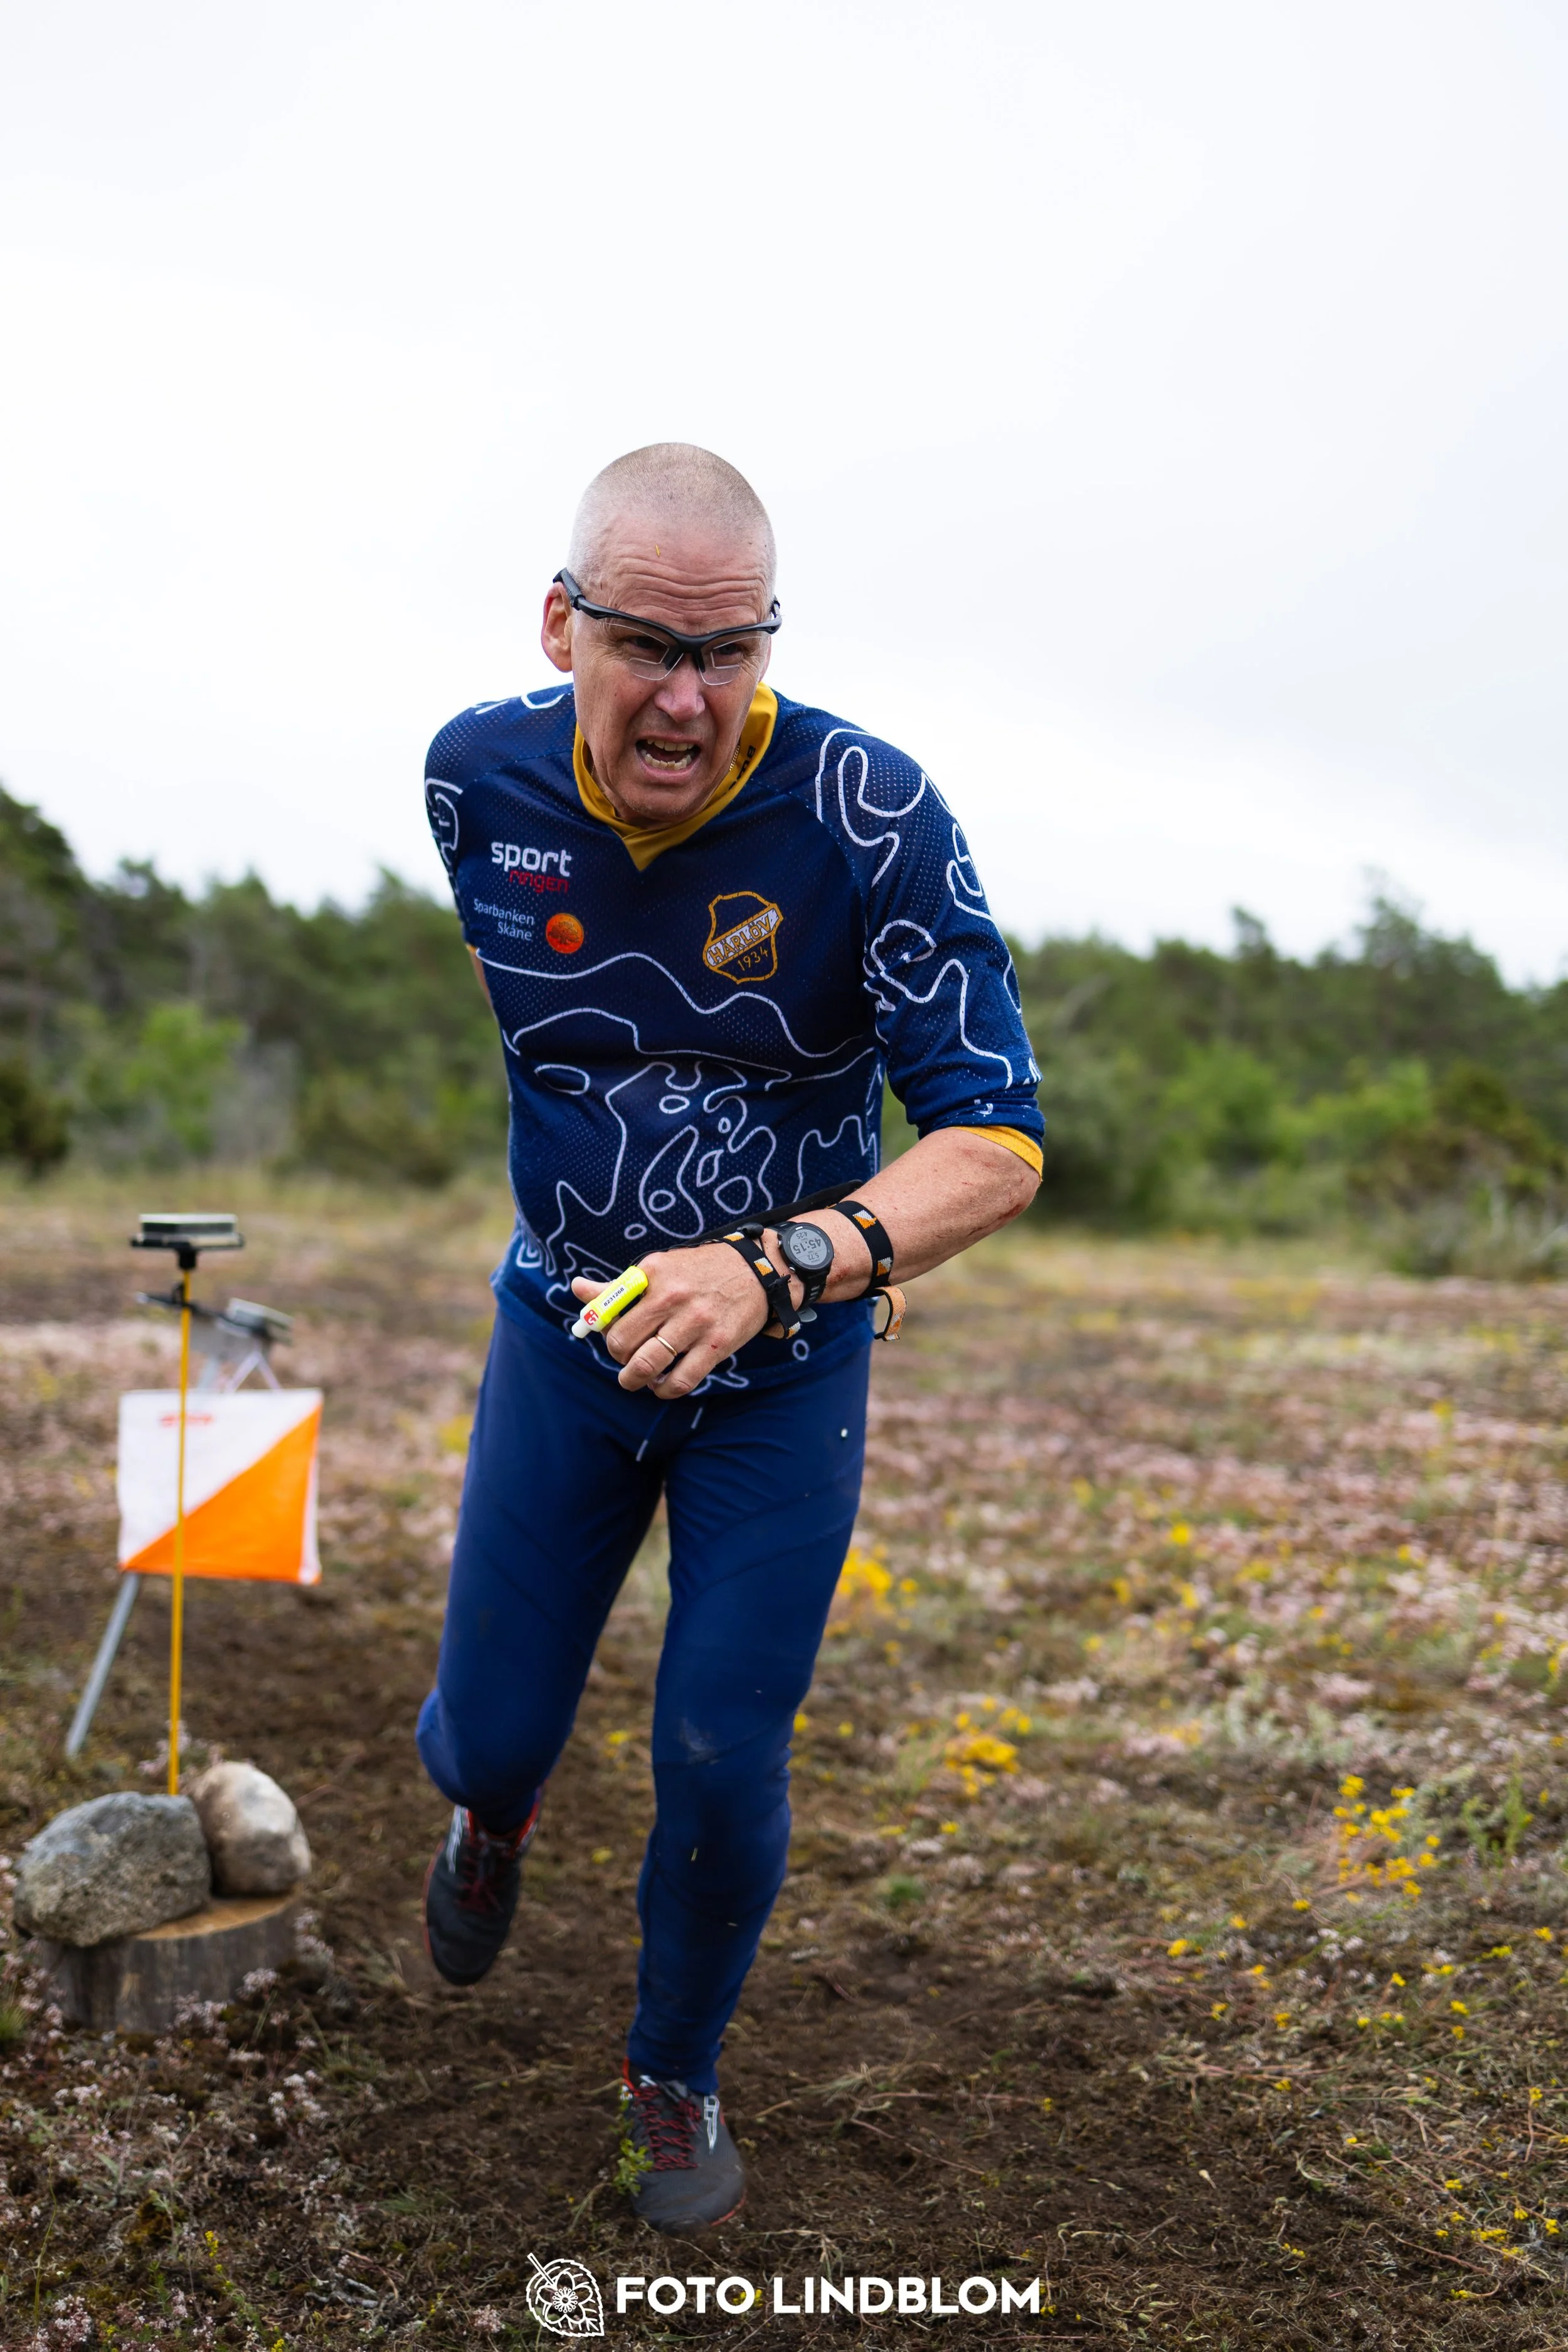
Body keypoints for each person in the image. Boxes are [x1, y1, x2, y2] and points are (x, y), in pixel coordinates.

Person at [416, 444, 1043, 2232]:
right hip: (563, 1334)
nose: (686, 696)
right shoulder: (474, 777)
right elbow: (536, 996)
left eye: (730, 651)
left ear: (769, 646)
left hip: (779, 1373)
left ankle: (672, 2066)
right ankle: (486, 1817)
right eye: (643, 646)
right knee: (490, 1738)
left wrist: (776, 1263)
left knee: (714, 1742)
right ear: (560, 627)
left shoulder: (870, 816)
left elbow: (992, 1139)